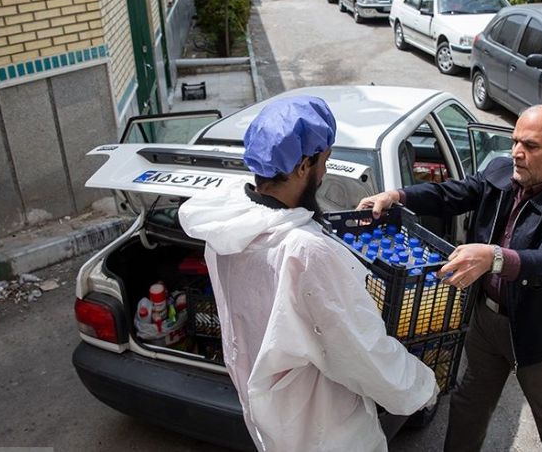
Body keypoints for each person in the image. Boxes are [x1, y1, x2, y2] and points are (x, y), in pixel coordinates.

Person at [179, 95, 437, 452]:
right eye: (324, 162)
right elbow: (362, 353)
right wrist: (422, 386)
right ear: (303, 166)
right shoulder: (304, 252)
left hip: (270, 413)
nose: (325, 173)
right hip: (325, 427)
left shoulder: (228, 227)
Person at [358, 105, 542, 452]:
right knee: (469, 402)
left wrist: (494, 258)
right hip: (486, 321)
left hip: (541, 332)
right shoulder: (501, 173)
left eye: (530, 146)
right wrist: (397, 196)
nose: (516, 152)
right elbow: (450, 194)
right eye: (515, 141)